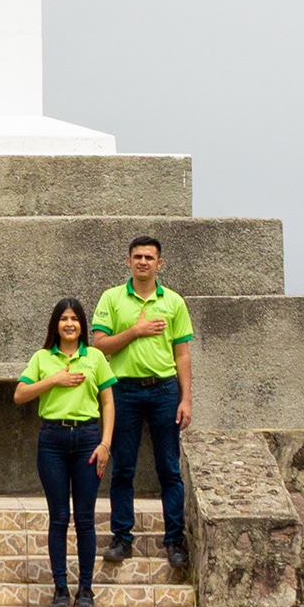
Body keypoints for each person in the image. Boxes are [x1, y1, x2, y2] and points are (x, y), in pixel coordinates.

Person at [90, 235, 193, 573]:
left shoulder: (174, 302)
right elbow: (100, 345)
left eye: (150, 257)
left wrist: (186, 399)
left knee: (169, 468)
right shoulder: (112, 298)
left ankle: (175, 540)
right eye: (138, 256)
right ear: (128, 261)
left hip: (164, 390)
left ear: (160, 263)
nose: (143, 262)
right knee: (123, 469)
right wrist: (135, 331)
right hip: (124, 391)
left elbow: (182, 354)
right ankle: (122, 538)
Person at [13, 297, 114, 607]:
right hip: (52, 440)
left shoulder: (95, 357)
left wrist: (105, 445)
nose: (69, 324)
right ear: (55, 325)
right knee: (58, 517)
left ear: (82, 324)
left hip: (87, 439)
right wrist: (54, 379)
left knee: (85, 518)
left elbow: (108, 403)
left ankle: (85, 589)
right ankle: (60, 587)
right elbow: (19, 394)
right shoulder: (43, 358)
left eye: (75, 318)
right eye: (63, 319)